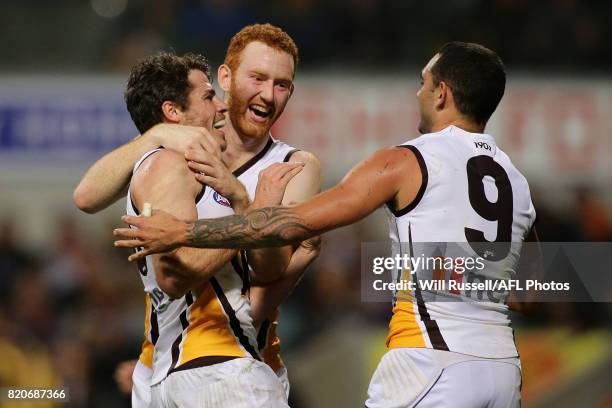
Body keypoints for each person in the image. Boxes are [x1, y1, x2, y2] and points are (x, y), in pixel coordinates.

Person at [115, 42, 539, 407]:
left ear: (442, 93)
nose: (418, 93)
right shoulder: (516, 179)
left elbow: (291, 222)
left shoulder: (408, 160)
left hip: (432, 357)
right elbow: (530, 295)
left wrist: (186, 233)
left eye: (424, 84)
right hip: (502, 369)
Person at [75, 24, 321, 405]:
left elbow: (269, 275)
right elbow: (86, 196)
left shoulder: (291, 166)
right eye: (257, 78)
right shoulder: (176, 153)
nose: (268, 95)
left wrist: (242, 201)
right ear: (225, 78)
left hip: (239, 358)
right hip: (182, 366)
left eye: (282, 84)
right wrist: (154, 134)